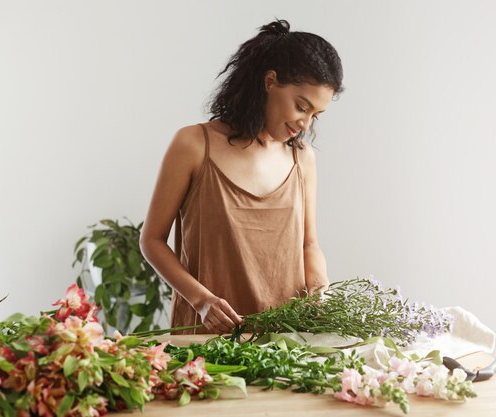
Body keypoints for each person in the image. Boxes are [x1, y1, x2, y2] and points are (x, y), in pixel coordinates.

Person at [139, 19, 344, 335]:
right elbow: (152, 241)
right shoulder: (194, 145)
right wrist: (202, 300)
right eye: (301, 106)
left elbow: (309, 244)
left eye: (315, 115)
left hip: (284, 340)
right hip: (206, 341)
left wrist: (318, 289)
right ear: (270, 81)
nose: (305, 123)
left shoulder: (302, 158)